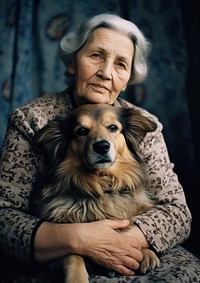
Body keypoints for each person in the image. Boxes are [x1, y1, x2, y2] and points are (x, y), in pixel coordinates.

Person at [0, 12, 199, 283]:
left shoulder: (143, 124)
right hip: (53, 247)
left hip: (133, 242)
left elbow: (177, 212)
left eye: (120, 64)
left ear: (127, 78)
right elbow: (3, 216)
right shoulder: (32, 119)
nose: (106, 73)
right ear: (72, 63)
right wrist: (78, 240)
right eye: (96, 56)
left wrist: (122, 242)